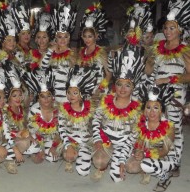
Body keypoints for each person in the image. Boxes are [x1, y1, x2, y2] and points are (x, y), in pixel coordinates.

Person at [145, 0, 190, 176]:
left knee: (174, 128)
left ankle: (175, 163)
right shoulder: (158, 46)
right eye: (166, 27)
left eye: (172, 28)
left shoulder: (185, 50)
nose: (168, 30)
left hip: (175, 94)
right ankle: (159, 157)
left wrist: (169, 80)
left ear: (179, 30)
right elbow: (148, 71)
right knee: (158, 126)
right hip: (157, 95)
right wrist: (150, 59)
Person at [92, 42, 144, 182]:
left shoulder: (137, 108)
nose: (122, 89)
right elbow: (96, 119)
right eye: (119, 84)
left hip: (124, 144)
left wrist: (121, 159)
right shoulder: (106, 99)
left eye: (127, 85)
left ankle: (120, 161)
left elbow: (133, 136)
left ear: (133, 87)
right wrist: (97, 139)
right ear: (115, 85)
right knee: (99, 161)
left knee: (125, 173)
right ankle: (104, 164)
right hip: (106, 140)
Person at [121, 85, 176, 191]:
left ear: (162, 111)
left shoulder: (169, 126)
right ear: (144, 110)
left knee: (145, 164)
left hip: (166, 158)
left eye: (156, 108)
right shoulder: (142, 123)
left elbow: (165, 151)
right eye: (148, 107)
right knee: (130, 166)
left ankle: (164, 177)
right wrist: (138, 151)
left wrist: (145, 154)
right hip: (147, 155)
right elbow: (139, 143)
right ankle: (147, 170)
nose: (152, 112)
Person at [40, 0, 80, 103]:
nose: (62, 40)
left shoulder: (73, 53)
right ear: (55, 38)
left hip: (66, 100)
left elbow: (75, 76)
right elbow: (42, 68)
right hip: (50, 99)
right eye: (60, 37)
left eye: (66, 37)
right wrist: (49, 51)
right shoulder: (50, 51)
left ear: (69, 38)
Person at [58, 65, 98, 176]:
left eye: (75, 93)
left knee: (83, 172)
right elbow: (61, 129)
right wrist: (68, 145)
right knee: (67, 155)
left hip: (86, 142)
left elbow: (96, 127)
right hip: (71, 141)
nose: (71, 96)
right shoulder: (64, 109)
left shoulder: (91, 108)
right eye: (69, 92)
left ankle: (82, 156)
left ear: (81, 95)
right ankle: (70, 158)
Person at [23, 67, 61, 163]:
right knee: (31, 149)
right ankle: (36, 151)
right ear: (38, 99)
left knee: (53, 158)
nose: (46, 99)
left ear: (52, 97)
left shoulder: (58, 109)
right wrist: (40, 149)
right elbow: (31, 129)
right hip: (37, 136)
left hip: (52, 138)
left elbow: (60, 131)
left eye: (49, 96)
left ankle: (46, 150)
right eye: (42, 97)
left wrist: (54, 147)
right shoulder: (34, 109)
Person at [78, 2, 111, 95]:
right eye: (85, 36)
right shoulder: (81, 52)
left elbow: (109, 74)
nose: (87, 39)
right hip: (83, 91)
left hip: (98, 91)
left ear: (96, 36)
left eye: (90, 36)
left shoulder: (101, 52)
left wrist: (100, 89)